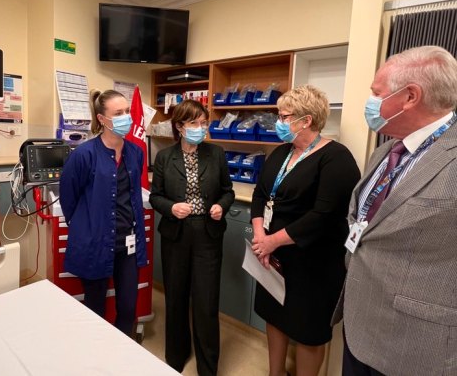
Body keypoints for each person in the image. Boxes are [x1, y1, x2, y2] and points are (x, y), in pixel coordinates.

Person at [333, 46, 457, 375]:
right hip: (360, 326)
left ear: (410, 96)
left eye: (376, 93)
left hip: (416, 345)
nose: (370, 102)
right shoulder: (387, 150)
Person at [250, 85, 360, 376]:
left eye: (284, 116)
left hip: (314, 262)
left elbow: (322, 215)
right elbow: (261, 195)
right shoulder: (281, 154)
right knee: (274, 315)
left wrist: (272, 241)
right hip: (273, 257)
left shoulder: (336, 159)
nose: (278, 123)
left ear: (306, 120)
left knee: (309, 329)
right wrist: (261, 235)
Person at [149, 99, 235, 376]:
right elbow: (155, 197)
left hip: (207, 234)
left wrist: (222, 205)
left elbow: (227, 190)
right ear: (180, 127)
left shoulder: (216, 154)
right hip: (176, 234)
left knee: (206, 302)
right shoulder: (165, 157)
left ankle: (207, 367)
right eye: (195, 123)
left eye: (204, 122)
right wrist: (171, 207)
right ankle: (176, 357)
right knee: (175, 297)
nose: (201, 128)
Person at [59, 89, 147, 337]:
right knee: (95, 306)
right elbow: (69, 200)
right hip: (96, 242)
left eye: (127, 112)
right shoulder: (83, 155)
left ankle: (122, 355)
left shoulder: (135, 153)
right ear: (102, 119)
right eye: (118, 113)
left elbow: (132, 195)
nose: (126, 118)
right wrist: (87, 228)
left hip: (128, 242)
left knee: (128, 307)